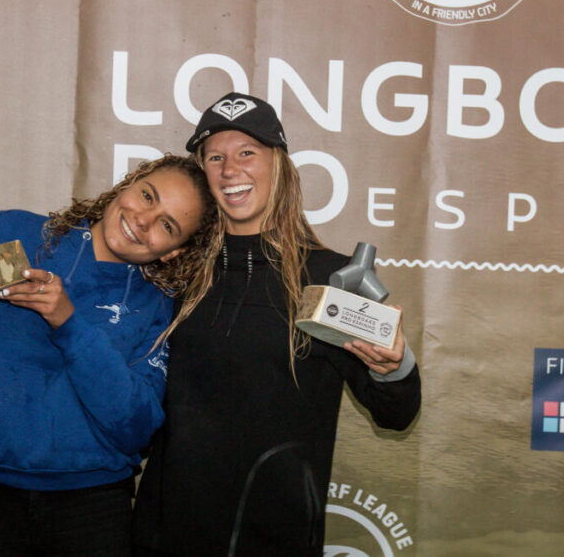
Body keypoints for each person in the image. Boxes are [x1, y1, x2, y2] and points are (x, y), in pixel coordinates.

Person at [132, 92, 422, 556]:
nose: (230, 169)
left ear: (279, 165)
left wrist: (395, 368)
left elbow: (396, 414)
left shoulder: (332, 278)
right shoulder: (177, 269)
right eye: (215, 157)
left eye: (247, 152)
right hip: (167, 535)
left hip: (278, 538)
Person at [0, 154, 218, 556]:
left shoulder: (157, 303)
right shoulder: (14, 233)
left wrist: (68, 322)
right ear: (128, 184)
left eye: (167, 225)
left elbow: (136, 427)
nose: (143, 220)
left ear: (174, 252)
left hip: (91, 506)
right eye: (147, 196)